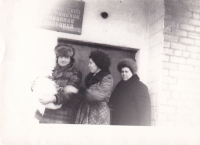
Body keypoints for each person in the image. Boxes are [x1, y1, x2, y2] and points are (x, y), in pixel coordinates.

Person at [33, 44, 82, 124]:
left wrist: (53, 98)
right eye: (60, 57)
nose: (63, 60)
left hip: (62, 112)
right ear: (57, 58)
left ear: (71, 59)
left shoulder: (75, 73)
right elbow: (42, 86)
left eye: (66, 57)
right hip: (47, 110)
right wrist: (35, 85)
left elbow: (70, 93)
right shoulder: (52, 71)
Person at [75, 50, 113, 125]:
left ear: (98, 63)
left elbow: (98, 95)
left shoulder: (107, 78)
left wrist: (78, 91)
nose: (89, 65)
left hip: (98, 112)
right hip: (87, 110)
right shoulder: (92, 76)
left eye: (91, 63)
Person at [109, 58, 151, 126]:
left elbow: (145, 111)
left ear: (132, 72)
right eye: (122, 72)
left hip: (132, 125)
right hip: (118, 124)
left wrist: (144, 128)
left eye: (126, 71)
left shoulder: (140, 87)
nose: (124, 74)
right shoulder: (118, 86)